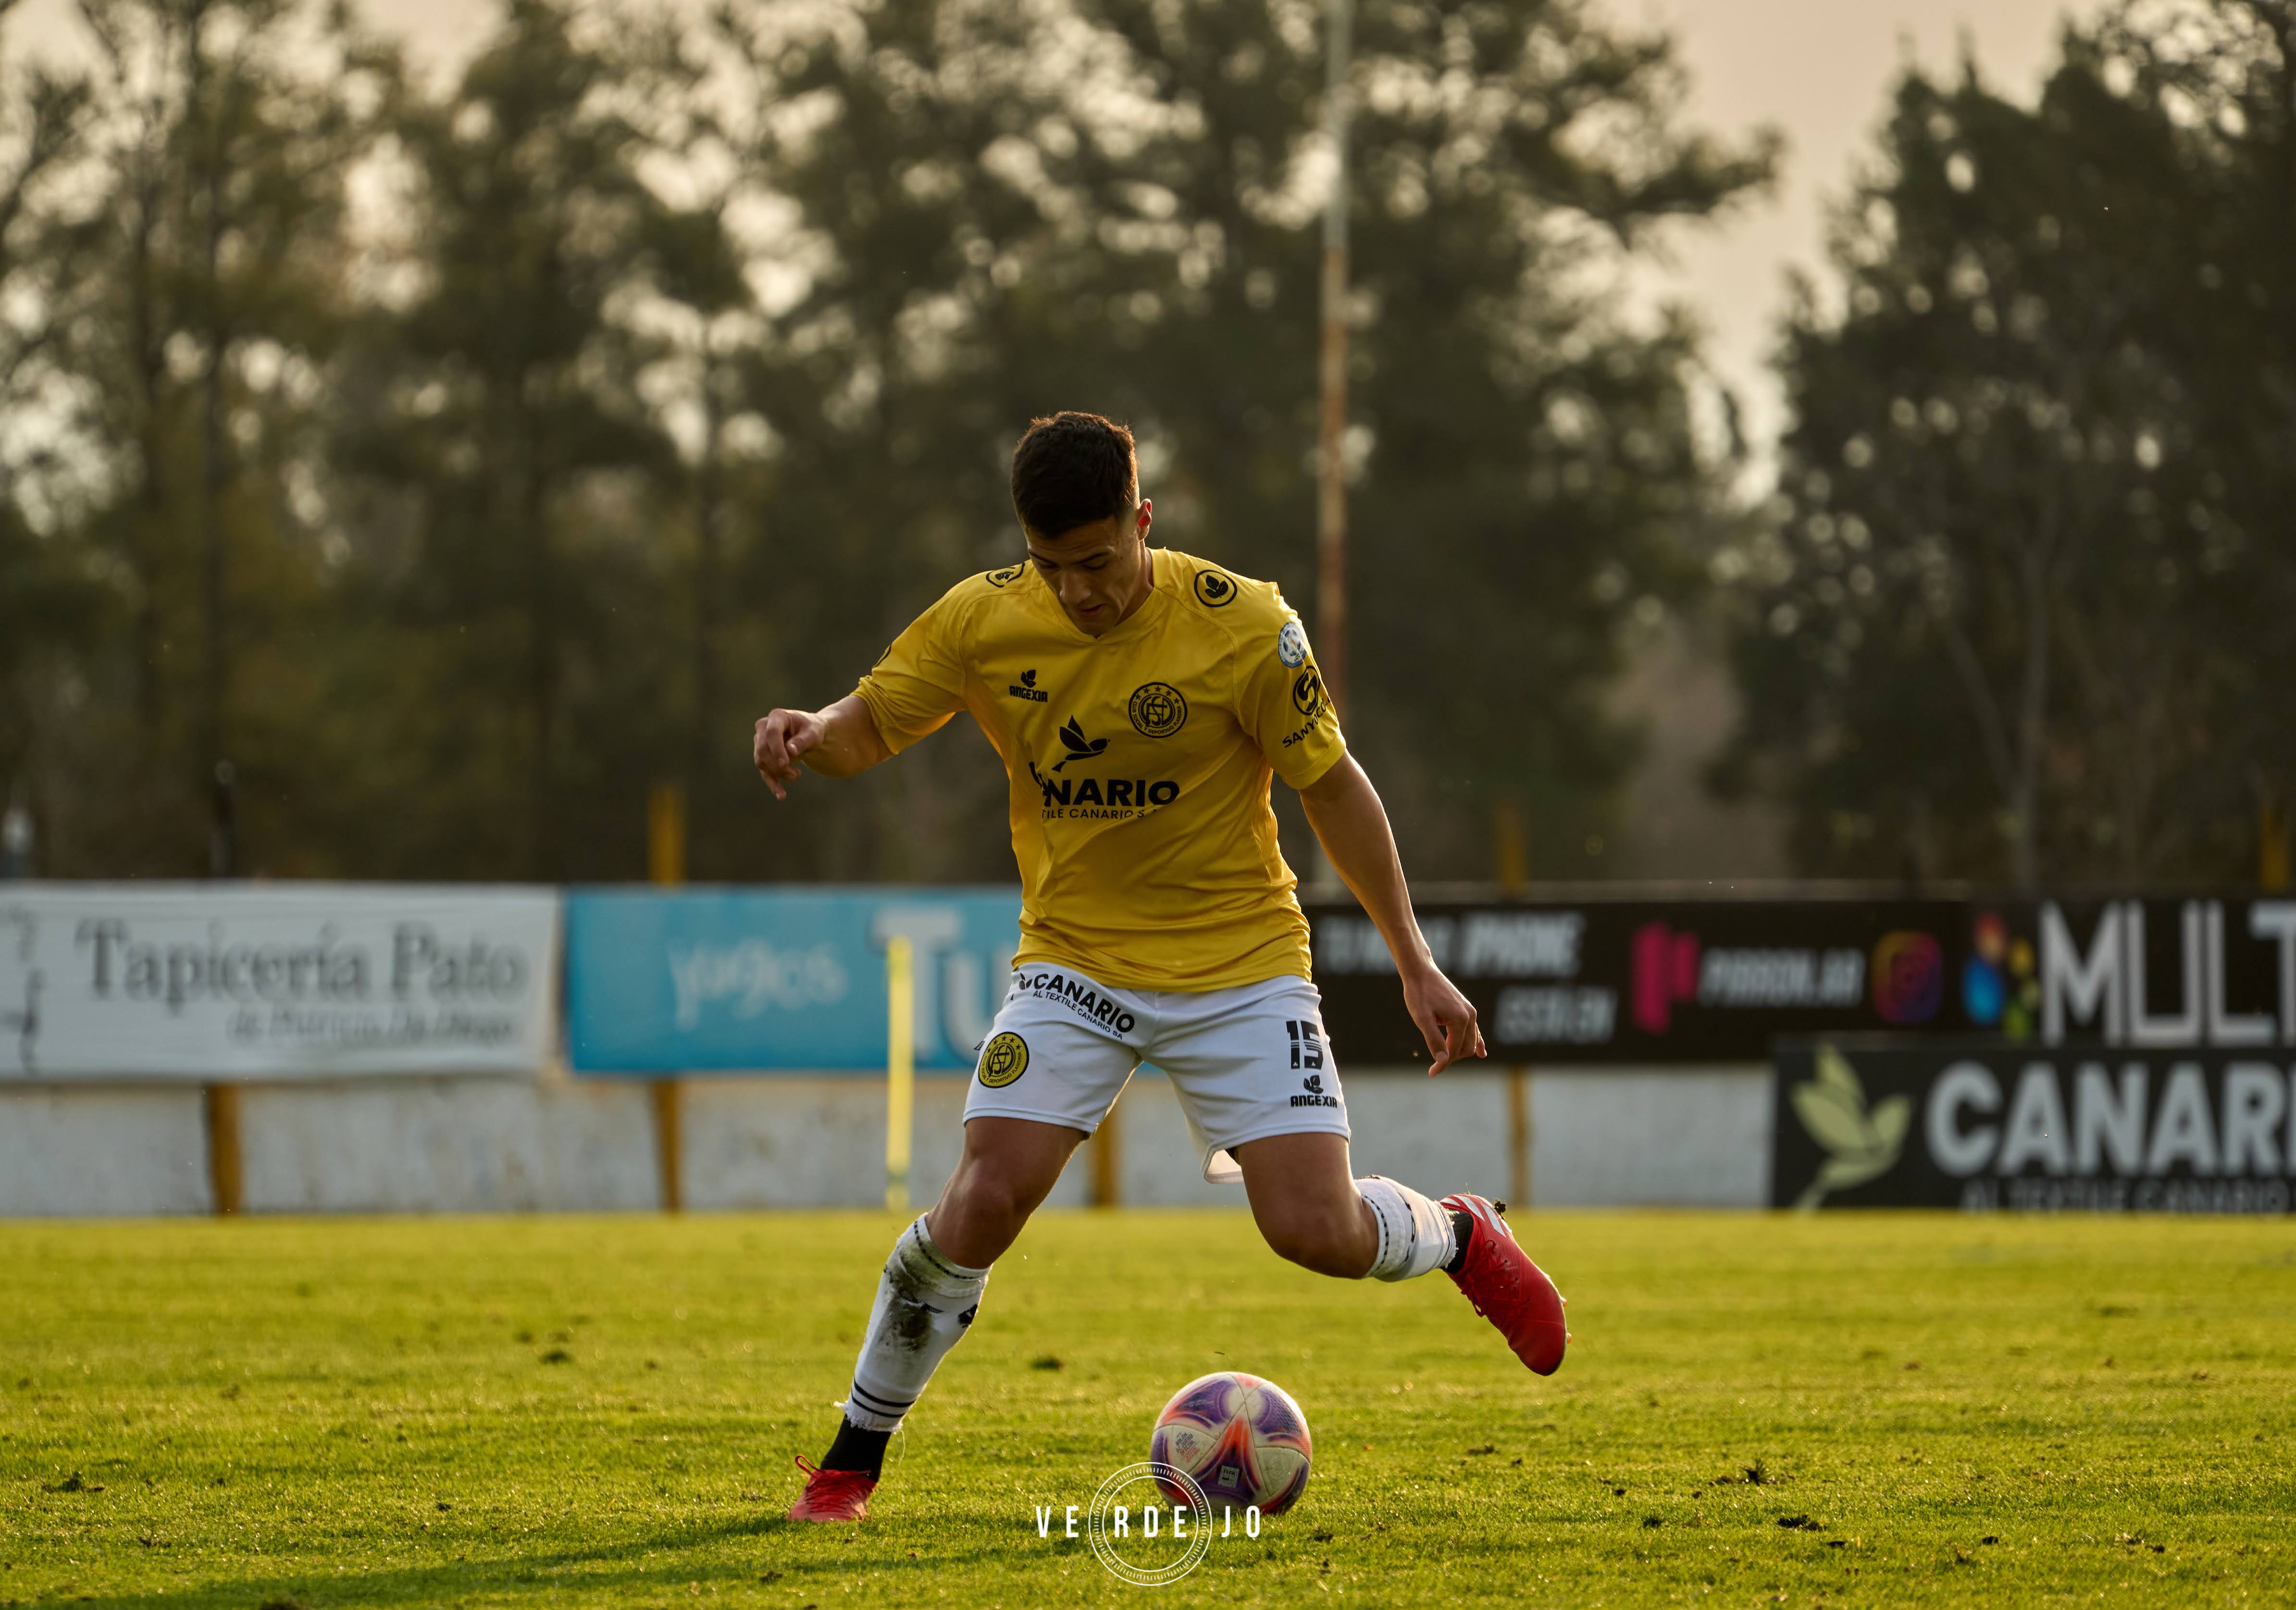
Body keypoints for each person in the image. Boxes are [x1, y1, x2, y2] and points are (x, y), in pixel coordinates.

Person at [755, 412, 1567, 1524]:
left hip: (1242, 965)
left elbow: (1333, 788)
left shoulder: (1247, 626)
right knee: (982, 1198)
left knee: (1316, 1232)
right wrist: (811, 730)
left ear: (1143, 519)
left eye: (1097, 562)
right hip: (1073, 964)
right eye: (1051, 566)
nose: (1076, 591)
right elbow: (873, 723)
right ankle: (850, 1461)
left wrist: (1414, 962)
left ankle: (1461, 1232)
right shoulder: (983, 618)